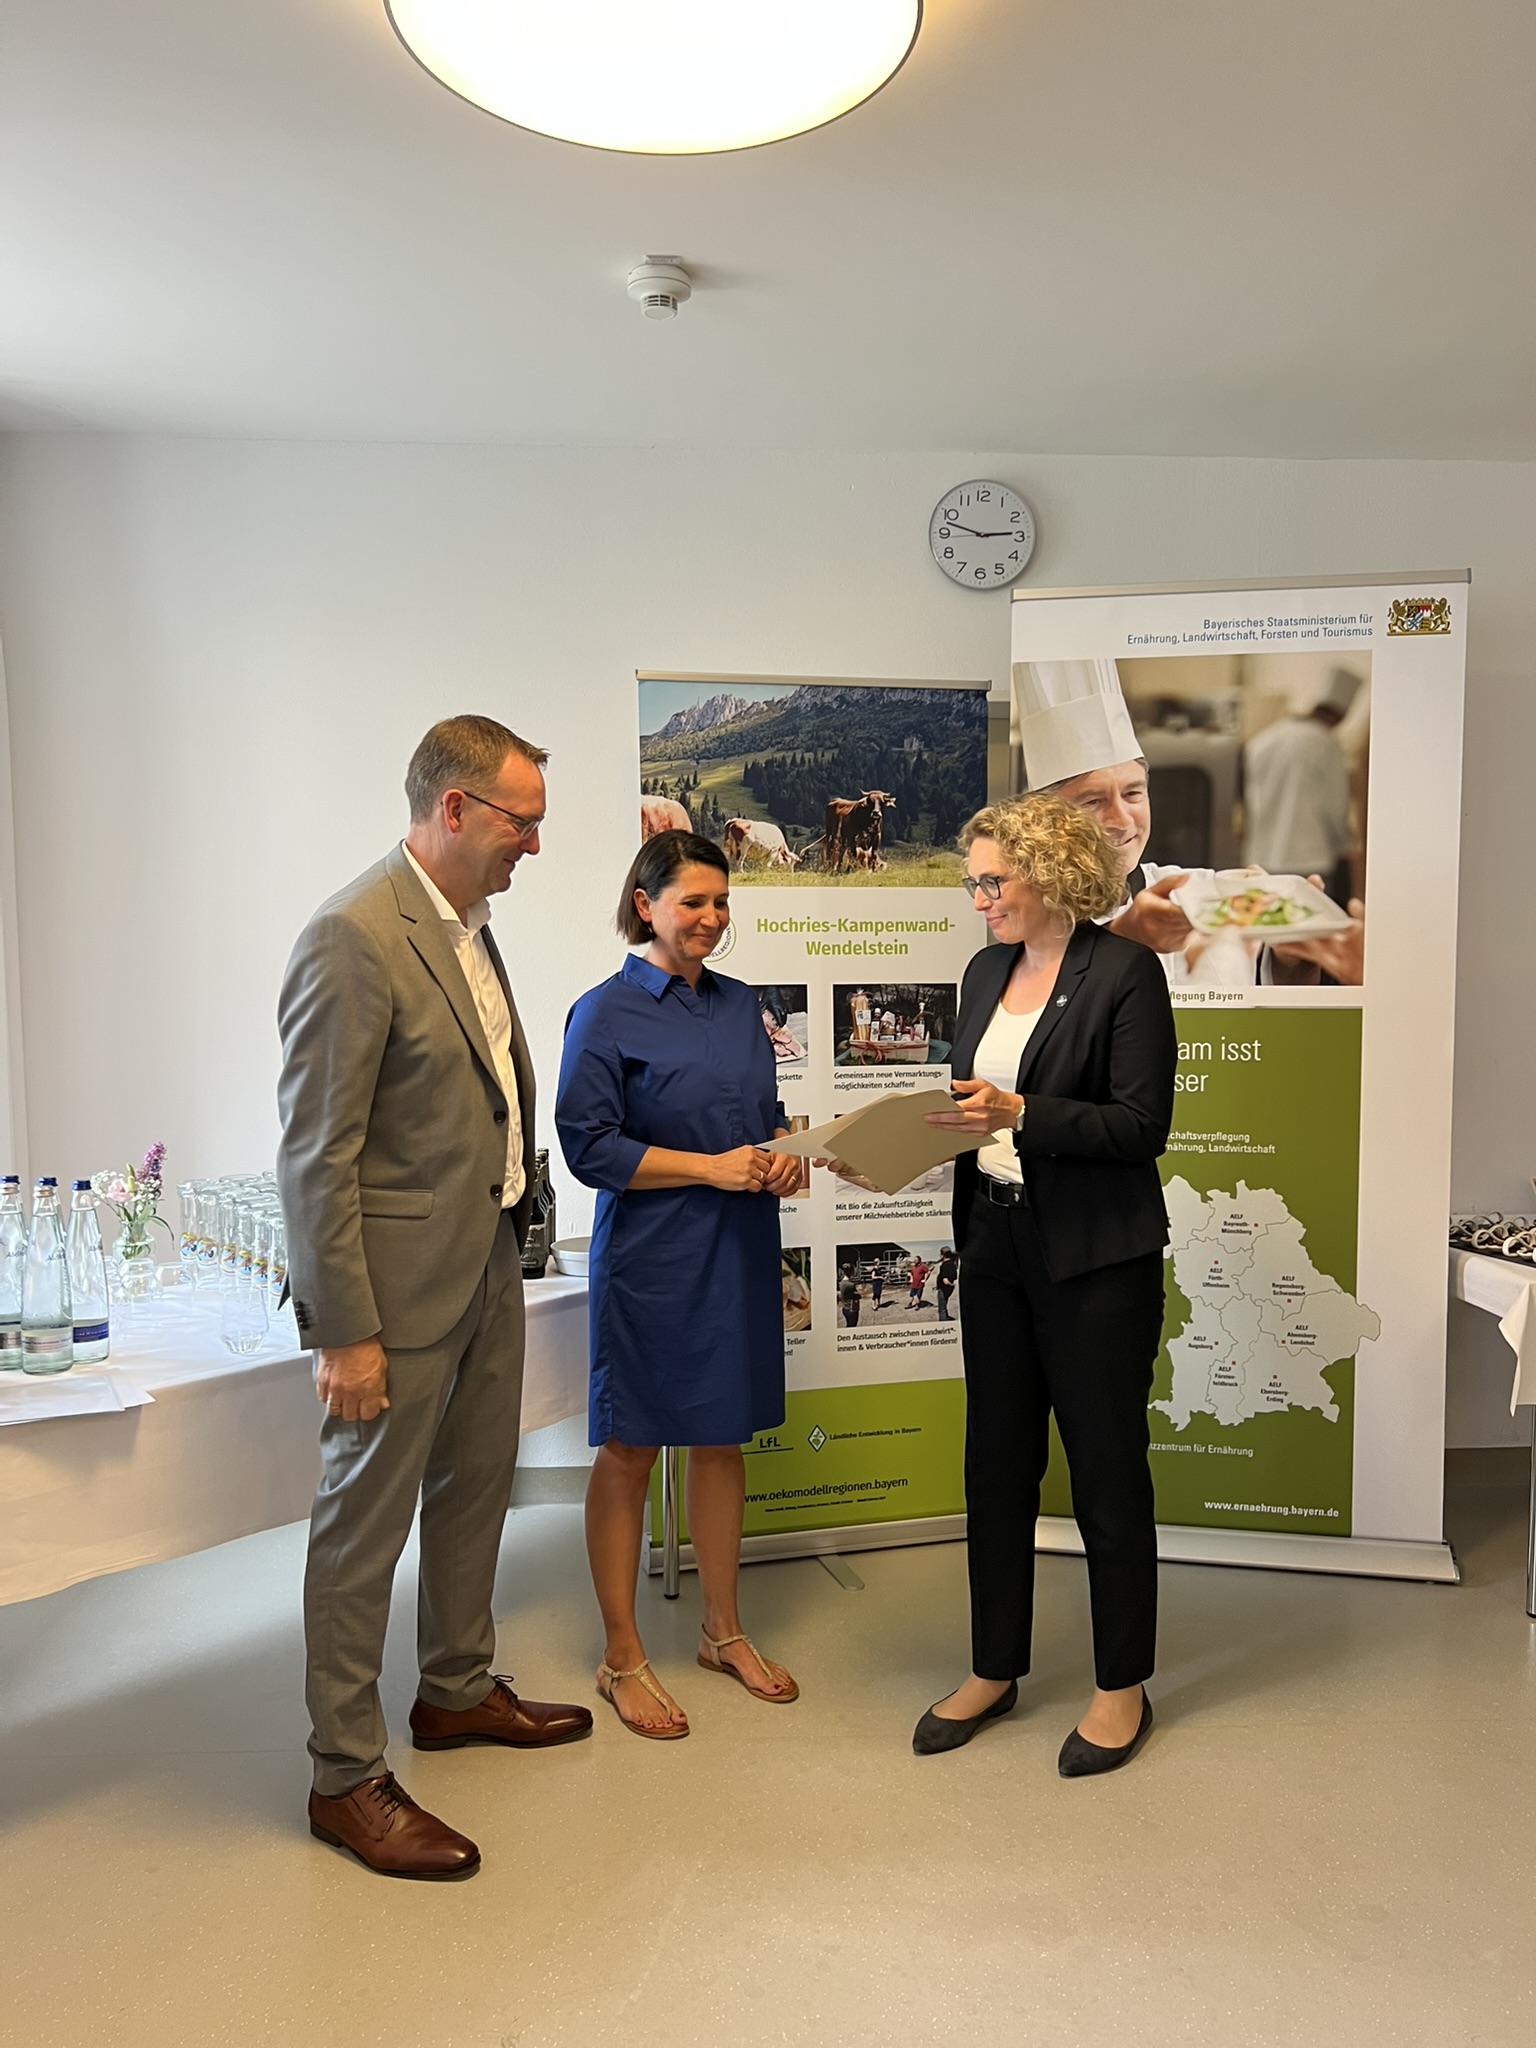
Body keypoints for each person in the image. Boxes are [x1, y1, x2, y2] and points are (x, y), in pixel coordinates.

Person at [277, 715, 591, 1882]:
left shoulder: (467, 925)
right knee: (361, 1529)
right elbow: (315, 1153)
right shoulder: (353, 935)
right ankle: (343, 1774)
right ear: (454, 808)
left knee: (473, 1490)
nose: (535, 846)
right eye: (523, 822)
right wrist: (345, 1330)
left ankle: (454, 1688)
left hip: (487, 1264)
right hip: (395, 1298)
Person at [918, 793, 1175, 1776]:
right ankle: (994, 1667)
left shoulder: (1125, 973)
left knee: (1105, 1473)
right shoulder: (985, 971)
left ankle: (1122, 1687)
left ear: (1052, 872)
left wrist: (1023, 1110)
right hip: (993, 1243)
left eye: (994, 881)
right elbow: (969, 1107)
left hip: (1095, 1259)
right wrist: (896, 1146)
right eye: (973, 882)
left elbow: (1140, 1127)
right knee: (996, 1466)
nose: (980, 899)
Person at [556, 831, 801, 1740]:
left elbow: (757, 1122)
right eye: (692, 901)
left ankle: (721, 1632)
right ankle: (622, 1656)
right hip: (653, 1260)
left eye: (721, 902)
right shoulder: (603, 1012)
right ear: (645, 905)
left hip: (739, 1245)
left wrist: (783, 1157)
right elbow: (589, 1148)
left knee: (722, 1439)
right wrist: (711, 1168)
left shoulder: (741, 1007)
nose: (710, 918)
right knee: (631, 1447)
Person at [1016, 657, 1364, 986]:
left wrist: (1292, 956)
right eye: (1093, 801)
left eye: (1133, 794)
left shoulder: (1199, 894)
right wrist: (1125, 937)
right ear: (1044, 819)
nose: (1121, 820)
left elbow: (1270, 994)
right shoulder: (1014, 912)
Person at [1242, 668, 1361, 906]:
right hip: (1309, 859)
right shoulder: (1325, 743)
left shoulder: (1263, 740)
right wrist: (1344, 845)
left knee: (1267, 920)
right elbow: (1335, 805)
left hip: (1262, 858)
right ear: (1339, 715)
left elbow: (1251, 801)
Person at [935, 1247, 958, 1322]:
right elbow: (954, 1277)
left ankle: (943, 1320)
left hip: (943, 1288)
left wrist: (947, 1283)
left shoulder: (945, 1265)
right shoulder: (952, 1264)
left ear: (943, 1255)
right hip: (949, 1288)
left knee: (942, 1307)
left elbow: (945, 1280)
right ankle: (946, 1316)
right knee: (945, 1303)